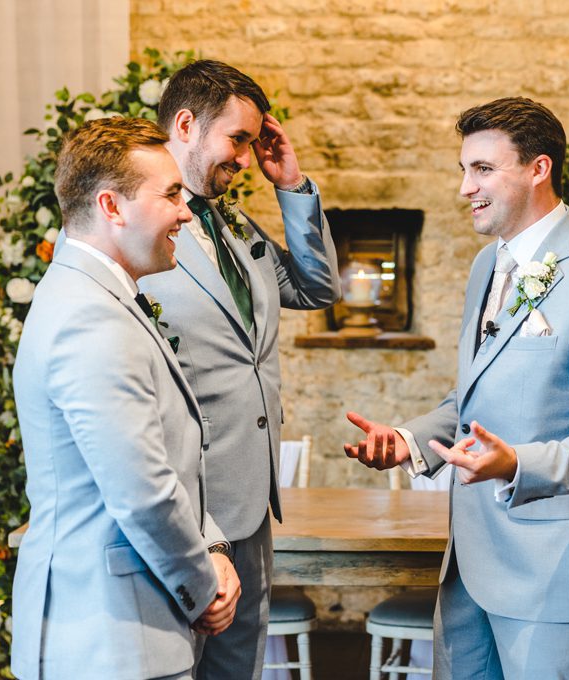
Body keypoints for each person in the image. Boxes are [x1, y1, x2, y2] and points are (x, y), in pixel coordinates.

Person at [341, 97, 569, 679]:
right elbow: (475, 401)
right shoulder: (488, 266)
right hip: (467, 569)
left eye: (483, 169)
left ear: (539, 169)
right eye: (464, 169)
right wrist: (409, 440)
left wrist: (517, 464)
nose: (465, 187)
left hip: (550, 579)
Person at [10, 116, 241, 679]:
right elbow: (142, 491)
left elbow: (164, 459)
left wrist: (212, 545)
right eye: (169, 195)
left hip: (127, 627)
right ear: (112, 207)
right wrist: (202, 585)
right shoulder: (90, 315)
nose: (186, 212)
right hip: (109, 639)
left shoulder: (99, 296)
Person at [137, 58, 340, 679]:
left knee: (238, 667)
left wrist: (293, 185)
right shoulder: (137, 226)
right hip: (184, 498)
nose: (246, 158)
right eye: (238, 140)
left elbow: (318, 287)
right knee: (177, 663)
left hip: (253, 497)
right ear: (186, 123)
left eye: (254, 143)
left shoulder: (238, 226)